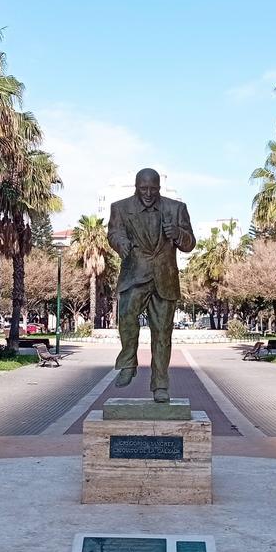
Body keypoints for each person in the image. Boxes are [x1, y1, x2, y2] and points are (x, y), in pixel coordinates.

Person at [107, 168, 196, 402]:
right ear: (136, 186)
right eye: (143, 188)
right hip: (134, 275)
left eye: (153, 189)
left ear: (159, 187)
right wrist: (121, 243)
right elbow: (113, 233)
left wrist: (177, 233)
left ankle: (160, 384)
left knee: (163, 333)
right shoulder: (120, 208)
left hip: (165, 279)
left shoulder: (176, 208)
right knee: (126, 318)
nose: (148, 193)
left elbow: (189, 243)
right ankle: (128, 363)